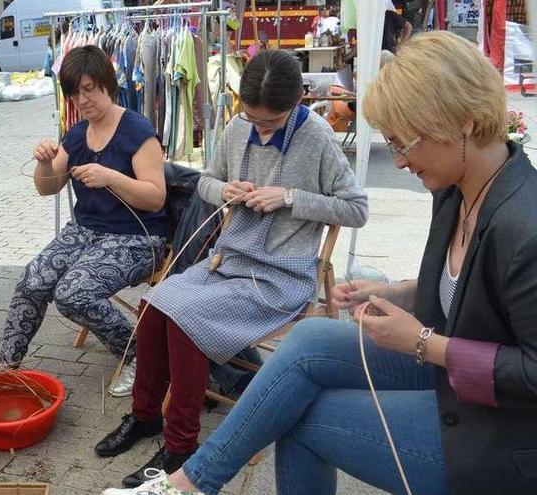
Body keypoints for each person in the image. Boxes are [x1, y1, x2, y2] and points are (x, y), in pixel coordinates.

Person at [102, 31, 537, 495]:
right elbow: (471, 287)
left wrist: (424, 342)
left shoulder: (524, 227)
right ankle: (179, 469)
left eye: (403, 144)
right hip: (237, 264)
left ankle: (185, 476)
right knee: (298, 337)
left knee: (297, 411)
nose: (400, 162)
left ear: (463, 122)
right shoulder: (454, 189)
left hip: (500, 432)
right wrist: (402, 292)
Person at [96, 48, 367, 489]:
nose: (258, 129)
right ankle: (145, 416)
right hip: (229, 261)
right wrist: (226, 189)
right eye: (252, 119)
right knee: (153, 305)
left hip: (280, 277)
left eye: (270, 124)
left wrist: (290, 198)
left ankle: (181, 444)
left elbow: (356, 209)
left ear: (297, 101)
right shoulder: (238, 127)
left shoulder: (316, 137)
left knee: (187, 320)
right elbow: (205, 180)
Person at [0, 46, 167, 398]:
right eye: (75, 92)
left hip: (137, 237)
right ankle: (5, 368)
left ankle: (141, 355)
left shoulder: (137, 131)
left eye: (90, 88)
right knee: (33, 279)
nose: (83, 98)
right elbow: (48, 188)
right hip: (85, 233)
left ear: (108, 83)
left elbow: (156, 197)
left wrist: (111, 177)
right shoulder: (76, 135)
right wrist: (44, 162)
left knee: (73, 293)